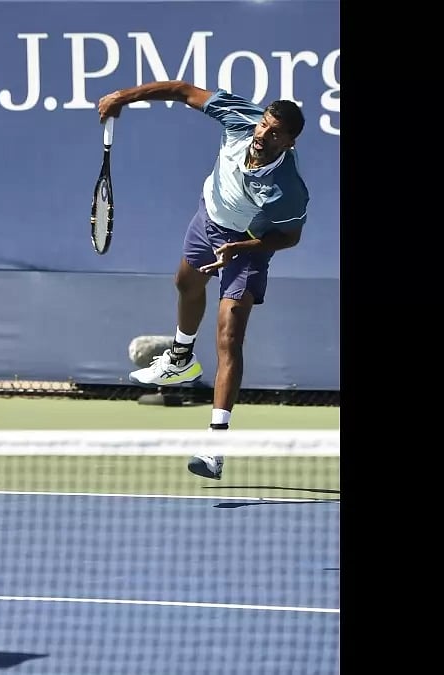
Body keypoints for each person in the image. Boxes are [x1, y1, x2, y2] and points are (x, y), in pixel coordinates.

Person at [96, 81, 309, 481]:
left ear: (290, 142)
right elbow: (180, 91)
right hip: (209, 218)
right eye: (264, 124)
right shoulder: (240, 119)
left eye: (275, 132)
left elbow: (291, 236)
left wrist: (242, 248)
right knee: (185, 284)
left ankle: (216, 444)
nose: (264, 134)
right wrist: (122, 97)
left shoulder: (287, 189)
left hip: (248, 245)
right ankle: (180, 358)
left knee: (229, 336)